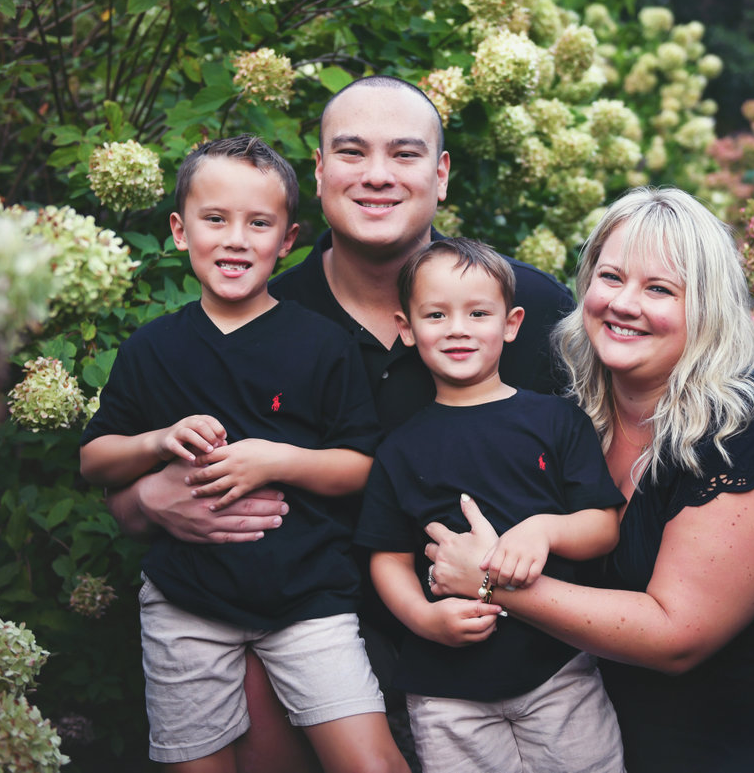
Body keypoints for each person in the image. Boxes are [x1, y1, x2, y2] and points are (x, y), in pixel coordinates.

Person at [103, 77, 575, 771]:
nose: (377, 175)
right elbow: (137, 479)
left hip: (511, 671)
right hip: (309, 645)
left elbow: (601, 482)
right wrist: (144, 500)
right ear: (320, 174)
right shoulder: (267, 315)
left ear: (440, 174)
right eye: (351, 152)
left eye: (405, 154)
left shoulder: (521, 306)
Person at [424, 187, 754, 773]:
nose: (624, 304)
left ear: (706, 307)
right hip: (648, 698)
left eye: (659, 289)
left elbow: (676, 635)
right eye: (610, 277)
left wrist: (491, 582)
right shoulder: (568, 409)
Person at [80, 135, 409, 773]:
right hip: (187, 604)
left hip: (309, 599)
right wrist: (156, 441)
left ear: (287, 240)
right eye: (215, 220)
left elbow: (362, 467)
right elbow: (95, 460)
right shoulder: (152, 349)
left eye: (259, 223)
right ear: (179, 231)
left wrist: (275, 460)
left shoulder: (321, 344)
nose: (236, 239)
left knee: (375, 766)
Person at [355, 238, 626, 773]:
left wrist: (543, 531)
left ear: (511, 322)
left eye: (478, 313)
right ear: (406, 328)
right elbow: (384, 556)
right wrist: (421, 619)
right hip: (446, 688)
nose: (458, 328)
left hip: (556, 668)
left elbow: (603, 526)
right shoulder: (399, 447)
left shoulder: (556, 421)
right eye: (436, 314)